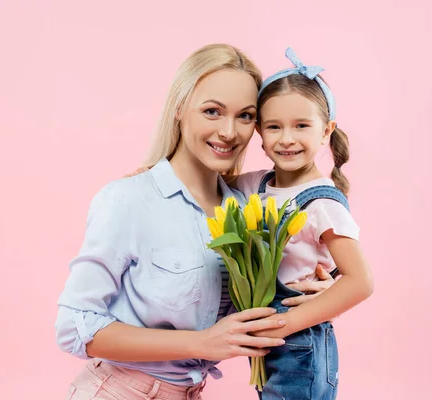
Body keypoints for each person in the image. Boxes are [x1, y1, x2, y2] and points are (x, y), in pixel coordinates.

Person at [55, 44, 291, 400]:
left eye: (245, 116)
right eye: (212, 111)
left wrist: (318, 287)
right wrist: (201, 343)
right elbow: (74, 328)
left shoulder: (246, 209)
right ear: (179, 108)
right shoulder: (129, 200)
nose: (229, 131)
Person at [237, 48, 374, 399]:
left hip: (302, 342)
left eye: (301, 125)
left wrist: (286, 323)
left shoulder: (322, 202)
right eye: (274, 126)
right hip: (271, 342)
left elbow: (360, 281)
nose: (286, 138)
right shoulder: (257, 185)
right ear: (259, 133)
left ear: (326, 130)